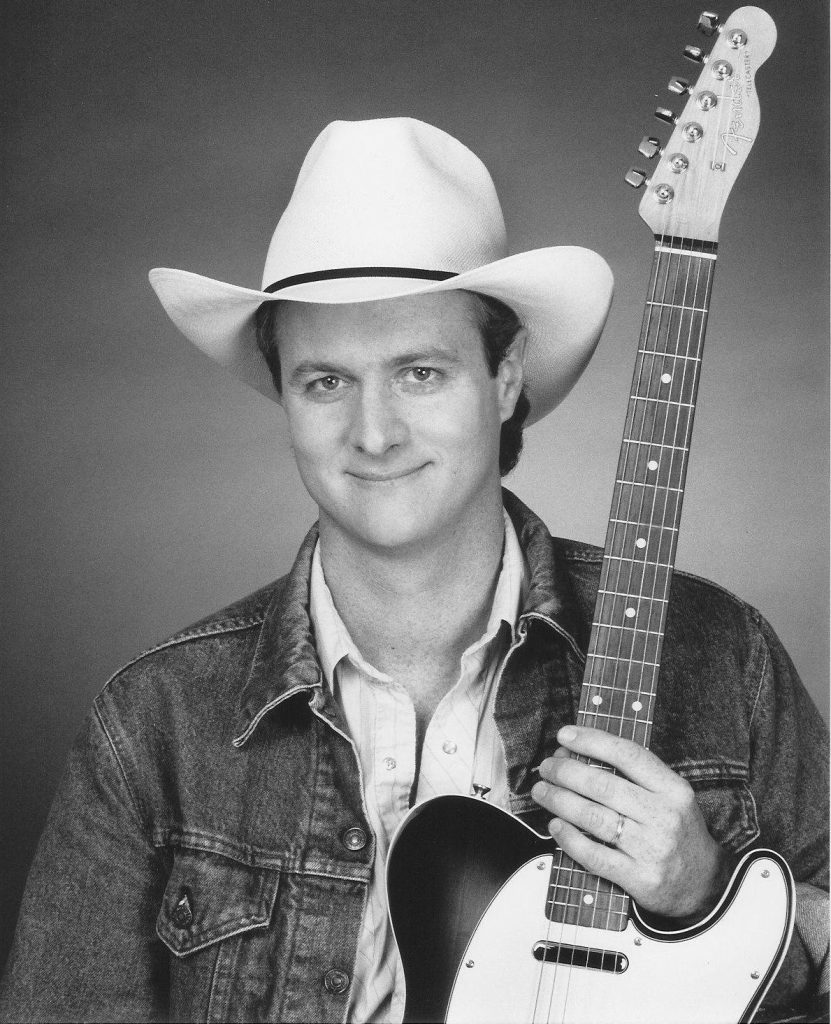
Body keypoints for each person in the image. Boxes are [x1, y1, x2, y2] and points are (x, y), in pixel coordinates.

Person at [0, 118, 826, 1024]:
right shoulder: (155, 724)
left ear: (505, 378)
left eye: (421, 373)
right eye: (325, 381)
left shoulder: (719, 656)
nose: (374, 432)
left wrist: (708, 894)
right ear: (283, 397)